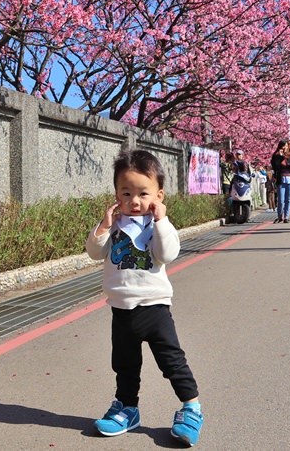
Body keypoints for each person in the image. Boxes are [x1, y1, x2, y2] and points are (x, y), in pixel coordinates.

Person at [86, 149, 203, 445]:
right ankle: (126, 408)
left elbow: (167, 254)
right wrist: (103, 225)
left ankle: (191, 408)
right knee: (125, 365)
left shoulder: (158, 226)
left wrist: (162, 222)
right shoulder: (112, 227)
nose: (134, 201)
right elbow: (94, 252)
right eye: (126, 193)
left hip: (155, 308)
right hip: (121, 309)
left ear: (159, 196)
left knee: (172, 362)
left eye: (143, 193)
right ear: (116, 195)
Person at [270, 140, 290, 223]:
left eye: (286, 146)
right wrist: (281, 156)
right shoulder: (277, 156)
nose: (285, 148)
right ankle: (280, 216)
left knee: (288, 199)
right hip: (281, 179)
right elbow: (276, 166)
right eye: (284, 146)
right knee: (281, 200)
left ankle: (286, 216)